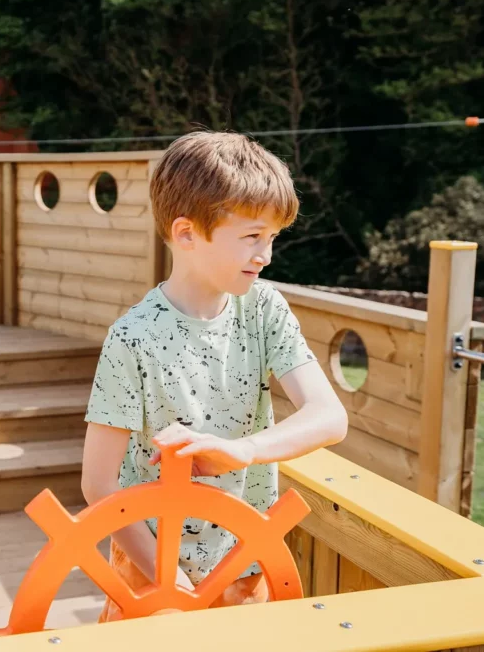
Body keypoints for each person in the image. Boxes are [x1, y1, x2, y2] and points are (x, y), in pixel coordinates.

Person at [81, 130, 348, 620]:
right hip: (152, 570)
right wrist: (173, 583)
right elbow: (99, 485)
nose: (265, 255)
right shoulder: (131, 339)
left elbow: (329, 416)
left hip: (246, 562)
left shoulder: (264, 310)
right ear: (186, 234)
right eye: (251, 237)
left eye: (272, 237)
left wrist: (243, 450)